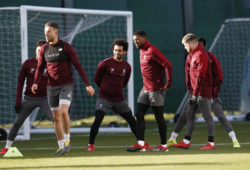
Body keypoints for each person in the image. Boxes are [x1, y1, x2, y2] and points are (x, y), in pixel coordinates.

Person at [31, 22, 95, 156]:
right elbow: (40, 67)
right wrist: (35, 82)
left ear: (56, 32)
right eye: (45, 32)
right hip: (51, 87)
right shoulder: (44, 49)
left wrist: (87, 84)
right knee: (56, 117)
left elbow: (78, 66)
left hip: (66, 85)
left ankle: (67, 141)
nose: (46, 34)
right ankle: (61, 147)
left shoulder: (66, 47)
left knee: (63, 112)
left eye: (49, 31)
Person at [167, 38, 240, 148]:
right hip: (195, 93)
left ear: (203, 46)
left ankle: (234, 140)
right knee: (184, 115)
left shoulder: (209, 57)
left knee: (219, 116)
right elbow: (188, 75)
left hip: (208, 93)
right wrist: (190, 90)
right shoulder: (191, 56)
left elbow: (218, 76)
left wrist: (213, 92)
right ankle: (173, 139)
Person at [0, 40, 53, 155]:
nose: (40, 53)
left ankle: (64, 145)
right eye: (38, 50)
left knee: (57, 120)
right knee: (17, 123)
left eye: (43, 51)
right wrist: (18, 101)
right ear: (35, 50)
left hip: (45, 99)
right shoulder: (28, 63)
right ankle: (7, 147)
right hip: (29, 99)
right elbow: (20, 83)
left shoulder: (50, 65)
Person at [87, 39, 138, 151]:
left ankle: (141, 142)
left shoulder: (127, 67)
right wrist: (107, 89)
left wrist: (115, 90)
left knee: (132, 120)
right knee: (98, 119)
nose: (117, 52)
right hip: (104, 99)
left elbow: (124, 83)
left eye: (119, 51)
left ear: (124, 52)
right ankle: (90, 145)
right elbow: (97, 80)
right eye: (115, 50)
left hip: (119, 100)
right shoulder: (104, 63)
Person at [127, 30, 172, 152]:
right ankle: (141, 144)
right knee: (139, 114)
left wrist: (168, 84)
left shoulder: (152, 50)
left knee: (158, 117)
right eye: (134, 40)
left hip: (156, 90)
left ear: (143, 38)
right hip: (145, 89)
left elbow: (168, 65)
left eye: (137, 39)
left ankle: (164, 145)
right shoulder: (141, 50)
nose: (135, 42)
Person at [172, 33, 215, 150]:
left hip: (202, 93)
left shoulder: (201, 55)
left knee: (207, 117)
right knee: (189, 115)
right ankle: (186, 141)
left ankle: (211, 143)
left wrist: (195, 94)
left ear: (191, 43)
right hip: (194, 93)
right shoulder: (193, 55)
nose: (185, 47)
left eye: (185, 45)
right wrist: (192, 92)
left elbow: (201, 76)